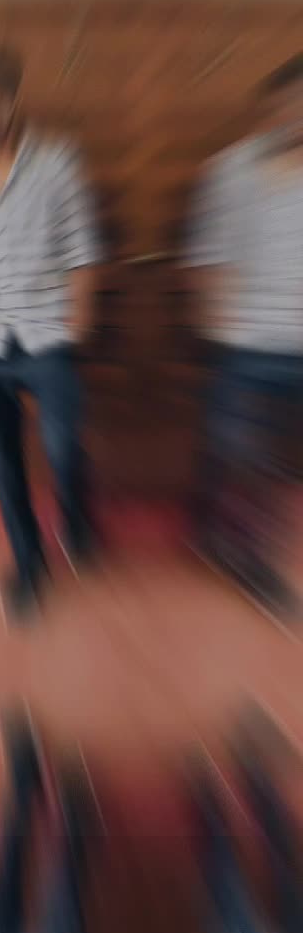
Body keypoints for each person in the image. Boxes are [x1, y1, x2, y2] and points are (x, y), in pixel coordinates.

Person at [0, 48, 99, 622]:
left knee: (62, 447)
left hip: (45, 334)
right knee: (6, 459)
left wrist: (78, 320)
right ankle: (29, 565)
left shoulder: (57, 163)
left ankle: (77, 518)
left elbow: (82, 246)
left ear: (12, 102)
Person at [185, 53, 303, 623]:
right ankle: (245, 557)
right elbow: (208, 255)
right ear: (272, 106)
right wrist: (221, 330)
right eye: (290, 102)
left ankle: (226, 535)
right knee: (241, 453)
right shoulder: (231, 170)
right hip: (245, 345)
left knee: (273, 462)